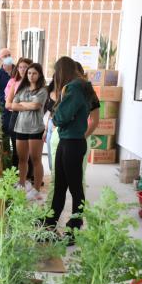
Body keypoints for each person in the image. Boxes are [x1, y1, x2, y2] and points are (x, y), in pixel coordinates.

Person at [45, 56, 93, 242]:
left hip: (71, 142)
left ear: (61, 71)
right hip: (70, 141)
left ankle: (73, 228)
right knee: (61, 187)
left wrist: (57, 116)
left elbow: (60, 117)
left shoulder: (74, 88)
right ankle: (50, 224)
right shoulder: (81, 86)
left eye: (56, 72)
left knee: (73, 188)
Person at [6, 63, 47, 201]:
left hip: (36, 128)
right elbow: (11, 105)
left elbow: (36, 105)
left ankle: (36, 189)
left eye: (34, 73)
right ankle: (22, 184)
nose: (31, 76)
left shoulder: (42, 90)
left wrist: (21, 105)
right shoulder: (22, 89)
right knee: (22, 159)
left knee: (36, 159)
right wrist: (26, 105)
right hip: (21, 127)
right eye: (29, 73)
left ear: (39, 74)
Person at [5, 57, 34, 178]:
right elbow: (8, 104)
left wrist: (18, 105)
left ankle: (29, 175)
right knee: (16, 150)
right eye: (20, 67)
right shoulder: (14, 83)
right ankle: (15, 177)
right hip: (15, 117)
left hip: (31, 120)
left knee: (30, 150)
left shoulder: (36, 84)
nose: (22, 70)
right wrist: (23, 106)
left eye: (25, 67)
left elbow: (37, 105)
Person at [0, 48, 14, 149]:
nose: (8, 57)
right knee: (5, 136)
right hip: (4, 110)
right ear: (0, 59)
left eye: (9, 55)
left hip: (18, 108)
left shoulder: (18, 71)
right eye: (5, 56)